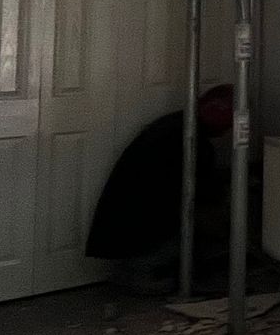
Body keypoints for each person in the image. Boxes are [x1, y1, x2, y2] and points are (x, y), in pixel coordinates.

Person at [86, 85, 234, 290]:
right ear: (216, 111)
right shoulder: (192, 141)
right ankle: (153, 274)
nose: (230, 129)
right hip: (141, 238)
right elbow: (203, 195)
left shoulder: (173, 125)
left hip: (124, 234)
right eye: (231, 120)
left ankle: (141, 271)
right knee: (213, 217)